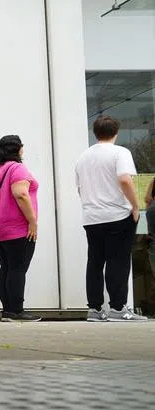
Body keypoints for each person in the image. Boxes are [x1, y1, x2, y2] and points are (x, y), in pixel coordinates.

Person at [75, 115, 147, 321]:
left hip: (92, 217)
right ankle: (117, 308)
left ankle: (95, 309)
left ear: (95, 132)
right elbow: (125, 179)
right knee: (118, 261)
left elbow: (80, 189)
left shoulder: (83, 157)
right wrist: (135, 206)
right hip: (117, 214)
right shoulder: (120, 153)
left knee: (95, 262)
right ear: (116, 132)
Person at [0, 135, 42, 322]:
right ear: (18, 149)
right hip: (15, 228)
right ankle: (17, 310)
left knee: (6, 267)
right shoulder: (17, 168)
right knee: (17, 268)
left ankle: (7, 310)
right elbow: (21, 194)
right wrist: (32, 221)